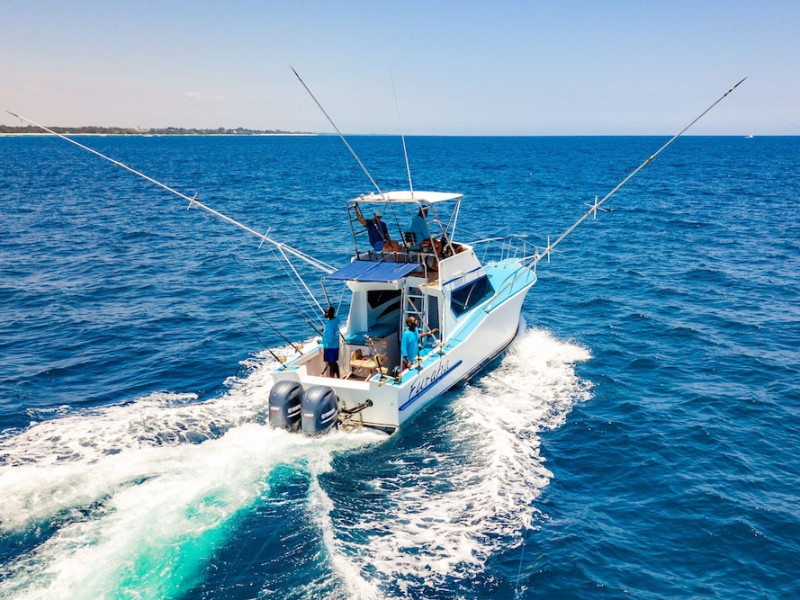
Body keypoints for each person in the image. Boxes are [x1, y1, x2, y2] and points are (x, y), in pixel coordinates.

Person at [322, 306, 340, 378]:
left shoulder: (329, 324)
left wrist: (320, 341)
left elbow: (329, 339)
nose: (326, 314)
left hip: (330, 347)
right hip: (336, 346)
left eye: (327, 313)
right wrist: (325, 330)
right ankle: (338, 376)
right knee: (334, 362)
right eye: (325, 312)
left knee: (331, 364)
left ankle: (331, 379)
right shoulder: (336, 320)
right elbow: (333, 331)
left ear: (332, 313)